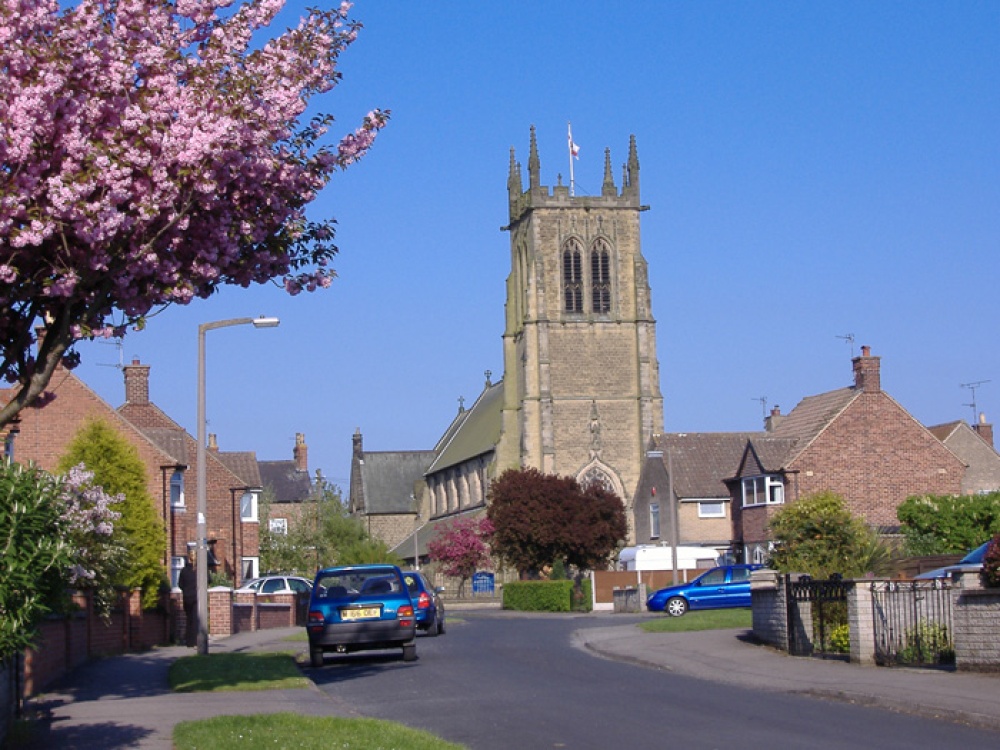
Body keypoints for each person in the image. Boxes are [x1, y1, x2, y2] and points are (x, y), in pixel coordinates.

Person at [178, 551, 198, 647]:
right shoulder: (200, 570)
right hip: (197, 597)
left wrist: (186, 590)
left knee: (189, 618)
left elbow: (180, 584)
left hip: (187, 597)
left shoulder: (184, 571)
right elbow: (209, 580)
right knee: (195, 619)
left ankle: (189, 641)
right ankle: (195, 641)